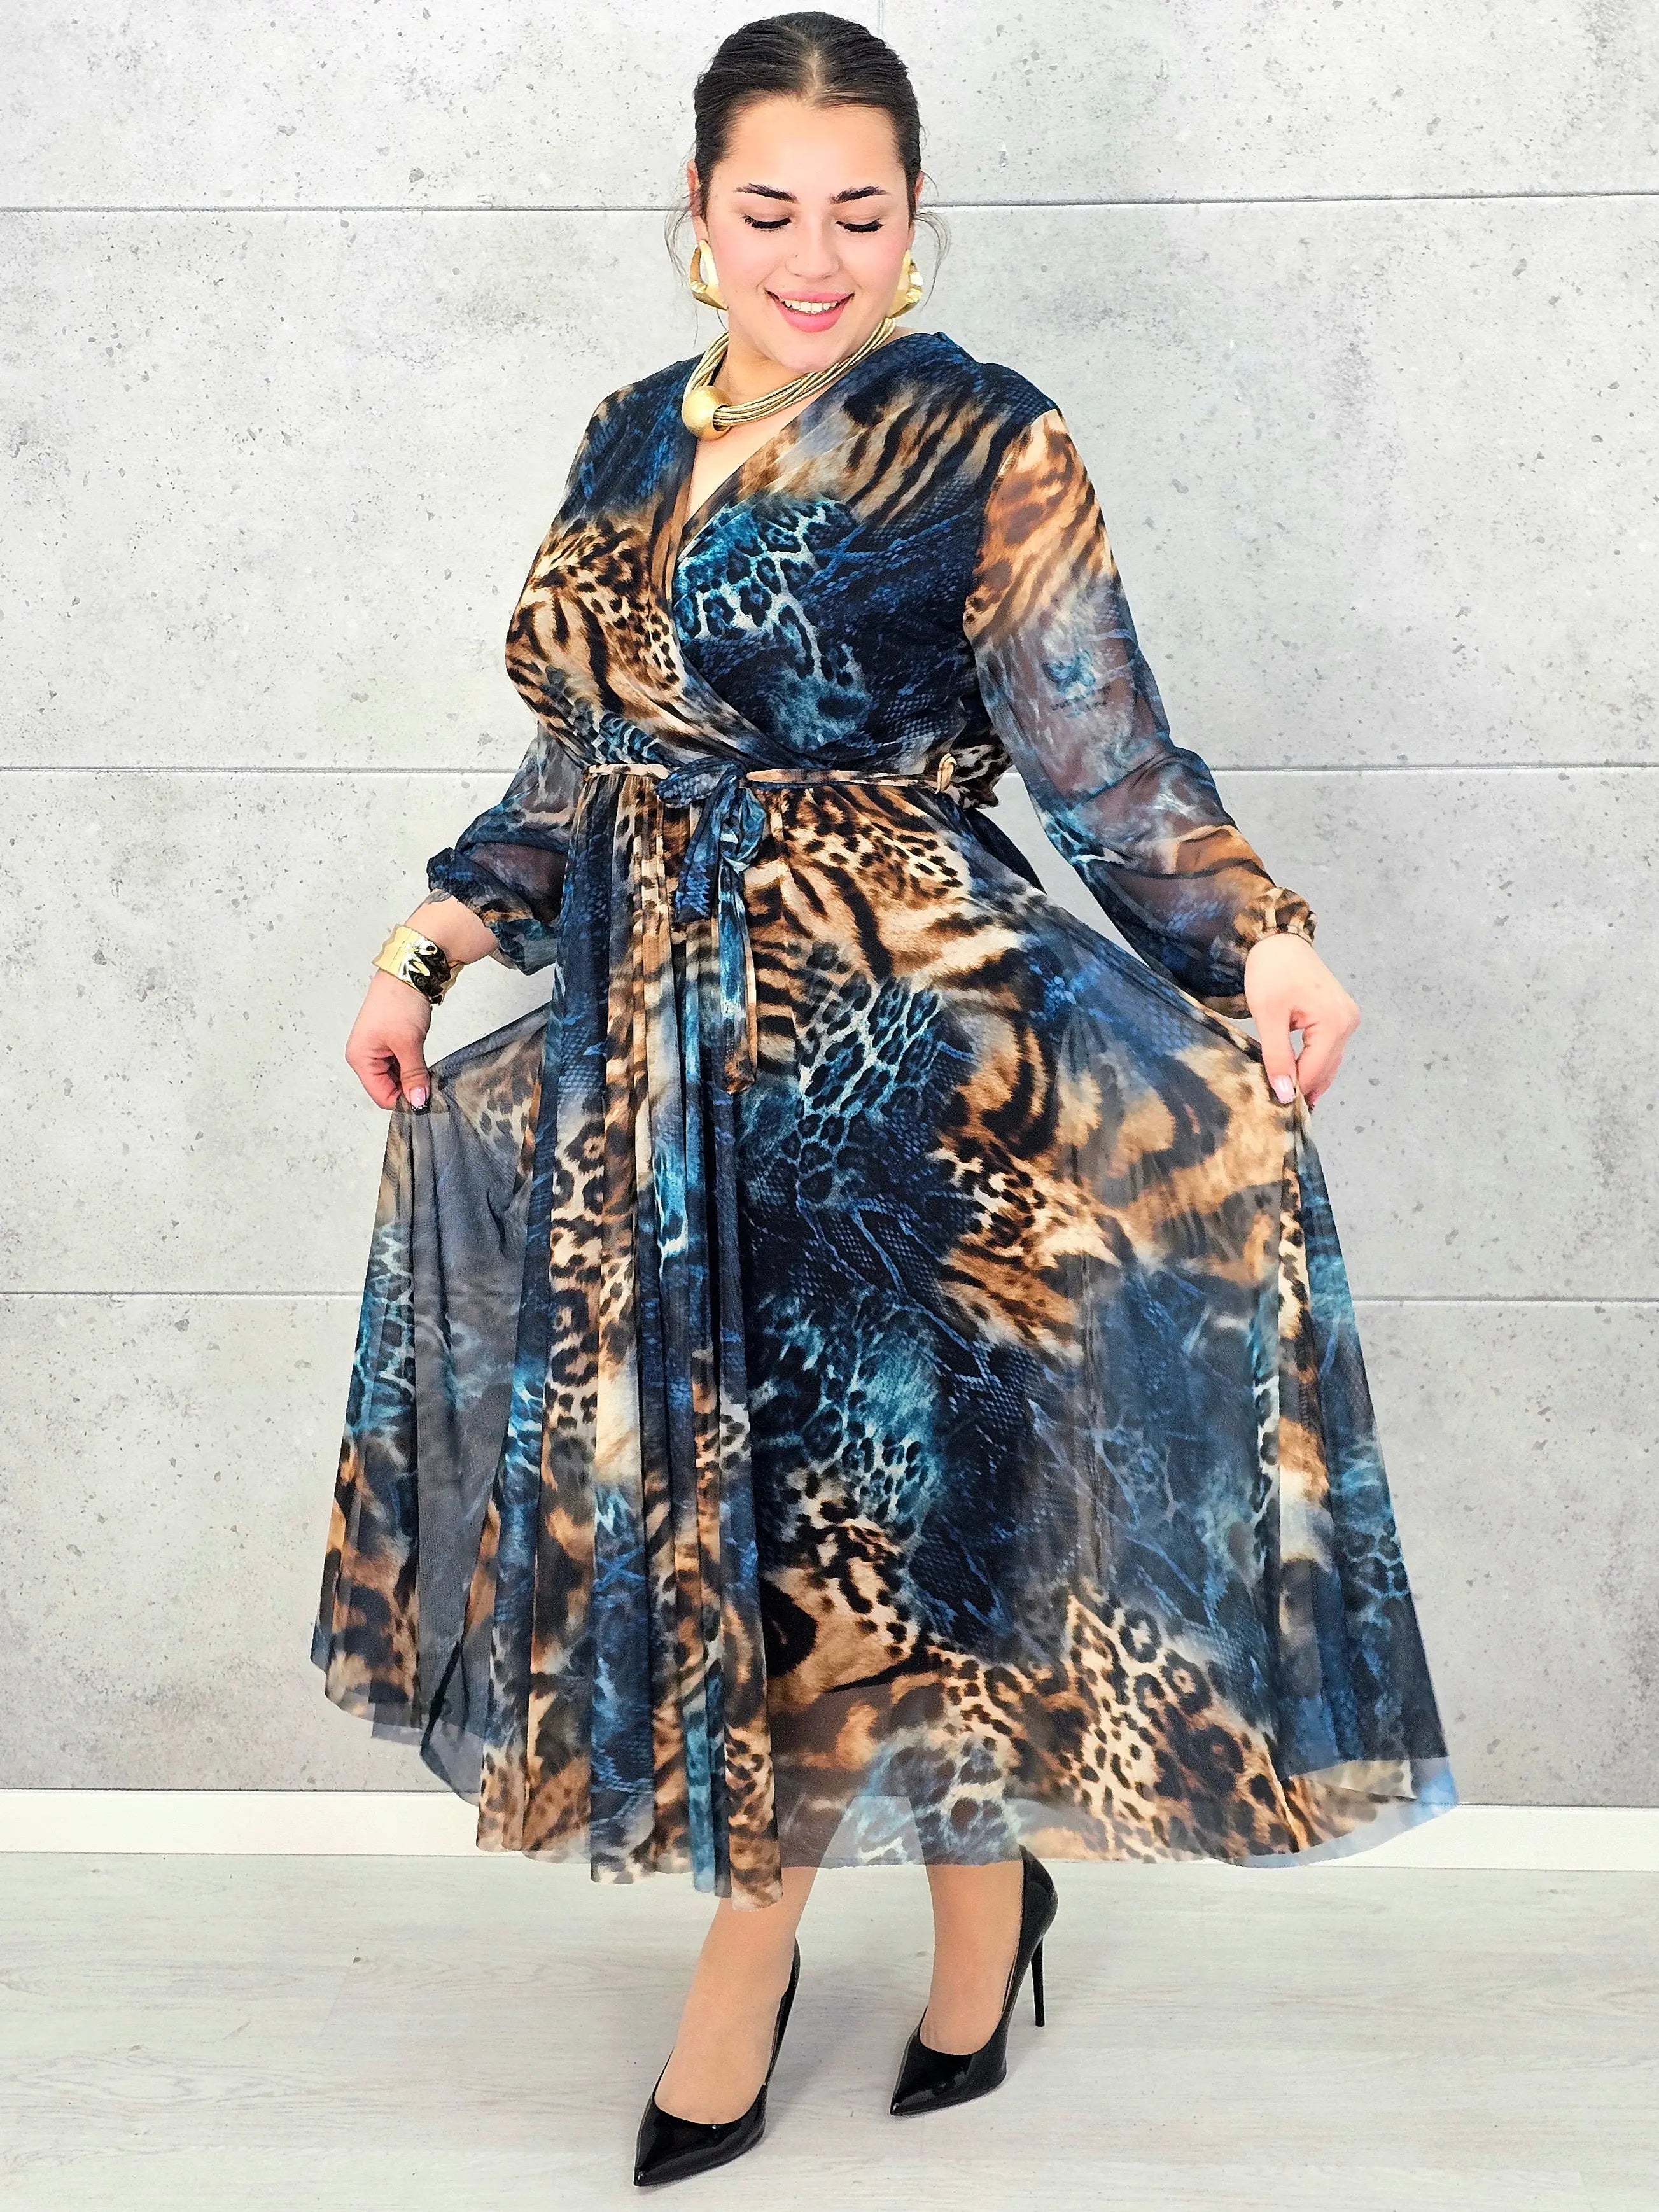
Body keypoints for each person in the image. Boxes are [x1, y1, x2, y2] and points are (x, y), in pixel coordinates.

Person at [314, 10, 1457, 2188]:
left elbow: (1108, 756)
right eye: (770, 211)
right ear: (697, 212)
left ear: (918, 218)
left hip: (904, 1058)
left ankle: (747, 1969)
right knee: (764, 1522)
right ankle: (984, 1907)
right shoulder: (625, 435)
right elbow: (585, 759)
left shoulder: (987, 437)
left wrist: (1263, 935)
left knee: (861, 1532)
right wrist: (435, 937)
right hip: (661, 1078)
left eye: (861, 211)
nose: (815, 255)